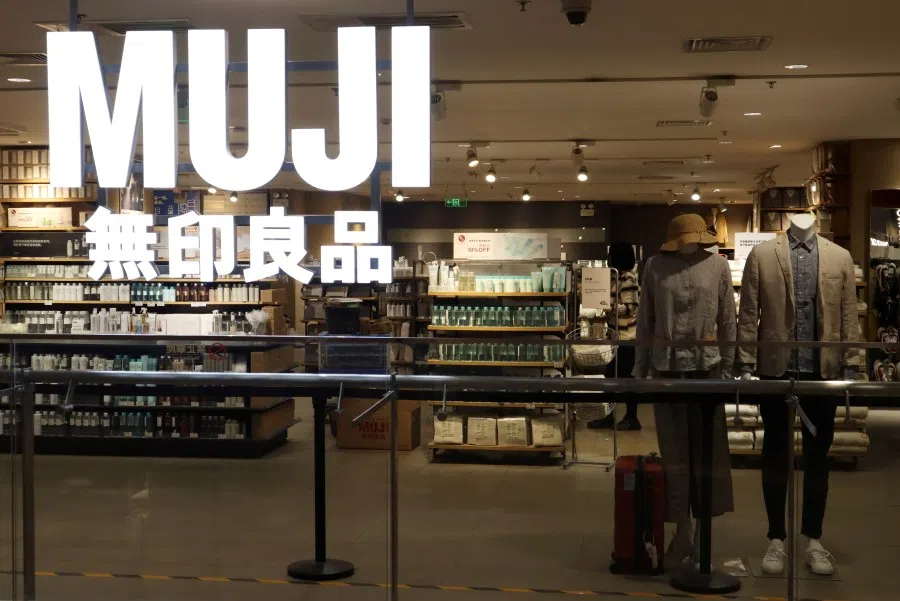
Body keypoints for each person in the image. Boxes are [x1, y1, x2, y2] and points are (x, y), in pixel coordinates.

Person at [737, 213, 862, 576]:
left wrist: (851, 360)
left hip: (822, 372)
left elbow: (849, 315)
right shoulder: (762, 255)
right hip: (777, 368)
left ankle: (813, 539)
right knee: (775, 454)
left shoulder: (839, 256)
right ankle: (776, 537)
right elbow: (748, 313)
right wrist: (745, 361)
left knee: (818, 457)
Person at [633, 214, 736, 569]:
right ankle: (682, 530)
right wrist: (639, 367)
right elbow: (645, 319)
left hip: (707, 367)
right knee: (674, 453)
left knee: (708, 453)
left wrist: (733, 364)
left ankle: (703, 530)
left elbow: (728, 319)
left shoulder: (717, 267)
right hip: (666, 367)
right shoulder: (655, 267)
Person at [588, 242, 641, 430]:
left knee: (619, 377)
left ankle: (627, 417)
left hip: (627, 337)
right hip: (617, 336)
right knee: (619, 377)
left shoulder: (628, 279)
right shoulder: (615, 277)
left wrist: (609, 308)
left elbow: (632, 308)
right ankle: (619, 416)